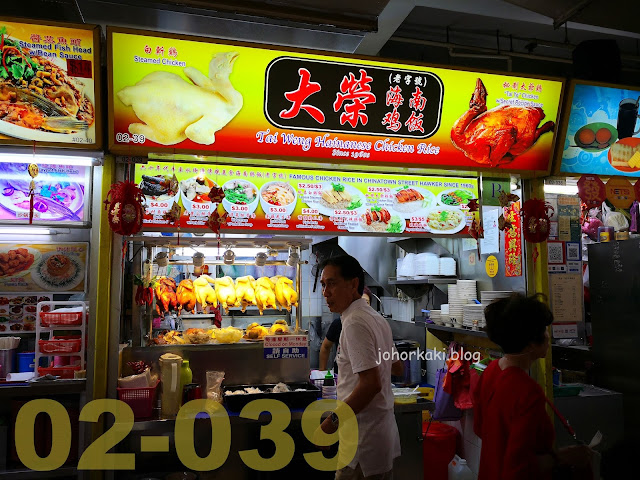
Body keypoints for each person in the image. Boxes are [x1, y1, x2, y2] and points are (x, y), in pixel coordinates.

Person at [473, 293, 593, 480]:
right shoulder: (527, 391)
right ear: (530, 343)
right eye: (545, 330)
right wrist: (562, 456)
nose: (548, 336)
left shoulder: (490, 372)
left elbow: (480, 429)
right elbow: (519, 468)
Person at [318, 255, 401, 480]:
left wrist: (331, 422)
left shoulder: (354, 322)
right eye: (324, 285)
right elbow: (398, 367)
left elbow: (370, 384)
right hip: (379, 436)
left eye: (332, 284)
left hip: (361, 443)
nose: (326, 292)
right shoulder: (375, 317)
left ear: (354, 284)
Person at [319, 286, 372, 371]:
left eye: (366, 302)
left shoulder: (373, 325)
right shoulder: (339, 323)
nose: (362, 307)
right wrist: (322, 371)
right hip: (341, 374)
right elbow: (325, 346)